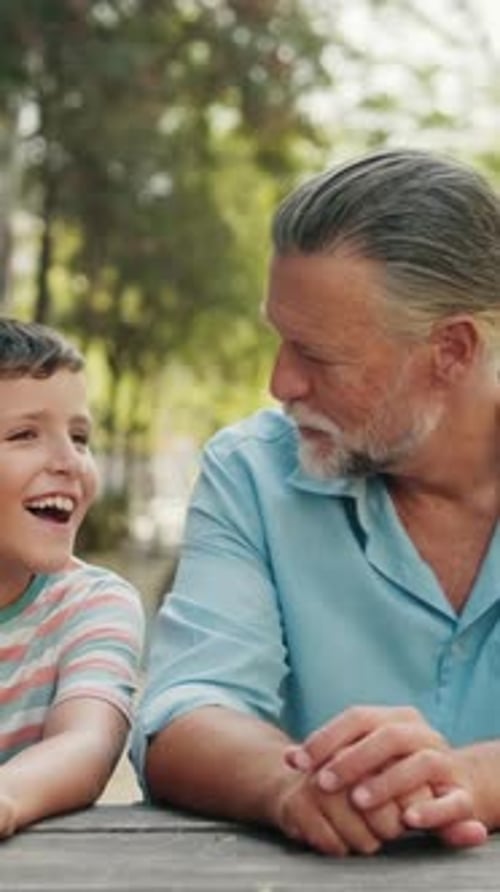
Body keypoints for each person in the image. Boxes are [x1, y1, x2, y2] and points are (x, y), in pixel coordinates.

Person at [131, 148, 500, 856]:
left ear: (451, 350)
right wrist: (290, 786)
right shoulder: (250, 475)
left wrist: (472, 778)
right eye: (278, 339)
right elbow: (183, 711)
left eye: (317, 355)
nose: (280, 382)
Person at [0, 318, 144, 837]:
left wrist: (6, 799)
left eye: (79, 438)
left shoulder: (94, 606)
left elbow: (87, 744)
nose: (68, 461)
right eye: (23, 435)